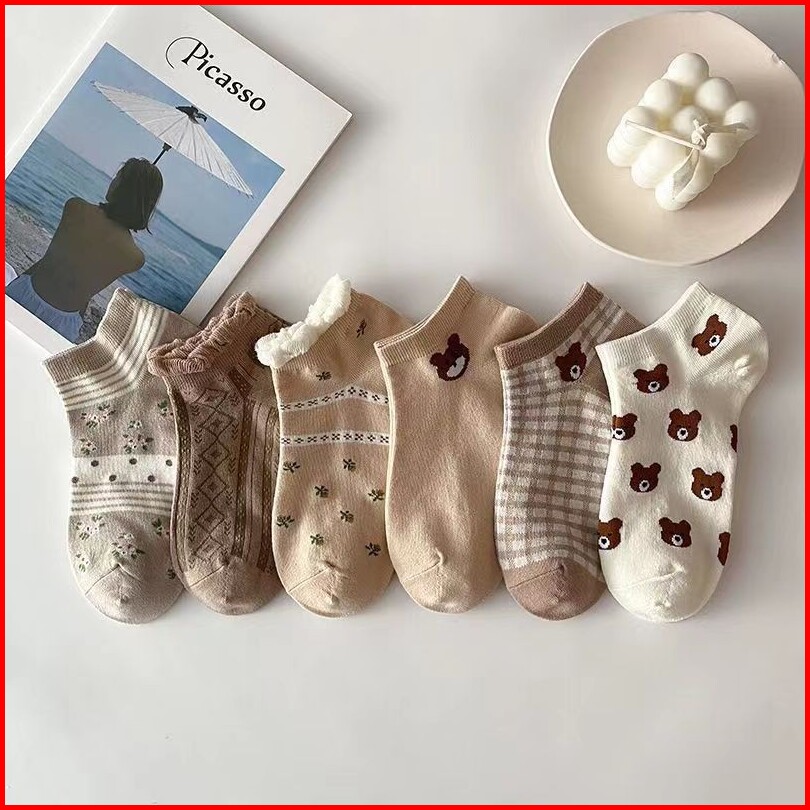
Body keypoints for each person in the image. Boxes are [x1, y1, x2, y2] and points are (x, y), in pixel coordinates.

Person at [5, 157, 163, 343]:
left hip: (25, 293)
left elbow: (47, 261)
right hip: (63, 322)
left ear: (124, 187)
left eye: (118, 176)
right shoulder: (135, 258)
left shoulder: (76, 207)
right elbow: (86, 288)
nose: (112, 180)